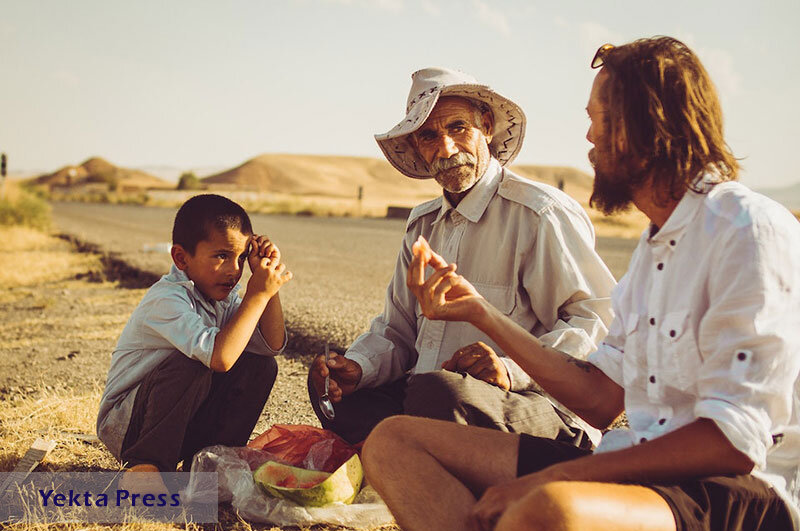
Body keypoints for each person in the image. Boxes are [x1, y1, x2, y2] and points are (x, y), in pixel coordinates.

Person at [362, 37, 800, 531]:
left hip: (733, 498)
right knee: (392, 442)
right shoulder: (654, 247)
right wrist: (480, 313)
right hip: (634, 463)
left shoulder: (747, 229)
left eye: (602, 119)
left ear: (651, 122)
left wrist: (558, 477)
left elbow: (733, 443)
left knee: (545, 515)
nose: (589, 137)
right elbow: (597, 401)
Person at [307, 67, 616, 446]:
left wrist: (509, 370)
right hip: (436, 401)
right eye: (429, 136)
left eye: (458, 128)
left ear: (486, 126)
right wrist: (357, 368)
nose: (446, 149)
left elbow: (593, 322)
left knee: (438, 395)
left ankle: (410, 463)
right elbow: (397, 330)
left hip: (530, 405)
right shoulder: (422, 225)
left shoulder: (539, 214)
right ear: (417, 147)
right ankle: (408, 461)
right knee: (334, 391)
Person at [96, 194, 292, 490]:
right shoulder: (168, 299)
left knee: (261, 366)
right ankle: (146, 470)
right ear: (181, 258)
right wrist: (257, 294)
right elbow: (220, 358)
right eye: (221, 256)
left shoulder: (221, 300)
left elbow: (271, 345)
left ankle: (213, 465)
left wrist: (268, 284)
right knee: (197, 362)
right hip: (128, 426)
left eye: (240, 258)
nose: (234, 270)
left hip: (181, 421)